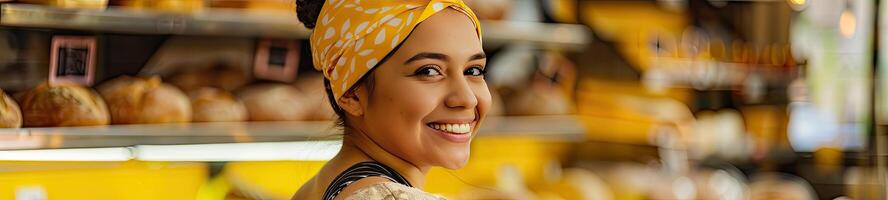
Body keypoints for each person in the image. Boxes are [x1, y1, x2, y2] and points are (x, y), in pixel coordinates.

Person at [291, 0, 491, 199]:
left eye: (473, 70)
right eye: (429, 71)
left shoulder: (316, 188)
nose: (467, 98)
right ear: (351, 93)